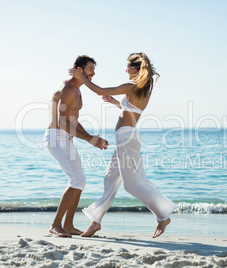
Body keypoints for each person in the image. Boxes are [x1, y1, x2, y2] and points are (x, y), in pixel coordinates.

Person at [69, 52, 178, 238]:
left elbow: (100, 90)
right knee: (110, 179)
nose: (125, 70)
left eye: (128, 67)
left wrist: (81, 78)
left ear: (136, 69)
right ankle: (96, 222)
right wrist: (116, 104)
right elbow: (131, 111)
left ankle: (162, 215)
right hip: (126, 138)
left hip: (126, 139)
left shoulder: (132, 86)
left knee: (132, 184)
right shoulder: (141, 89)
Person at [44, 55, 109, 238]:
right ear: (79, 70)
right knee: (76, 180)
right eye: (90, 69)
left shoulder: (78, 92)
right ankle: (55, 225)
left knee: (80, 181)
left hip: (67, 138)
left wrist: (90, 138)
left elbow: (73, 122)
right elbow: (63, 123)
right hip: (56, 137)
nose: (93, 73)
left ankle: (69, 225)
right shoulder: (66, 88)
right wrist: (89, 139)